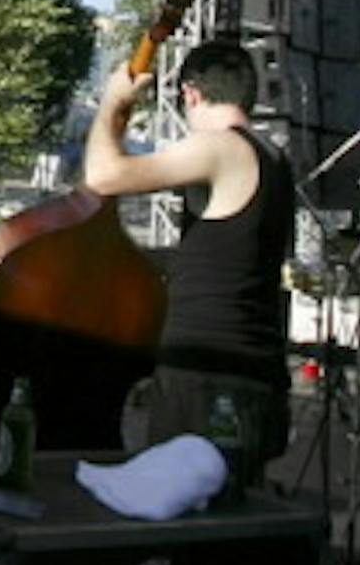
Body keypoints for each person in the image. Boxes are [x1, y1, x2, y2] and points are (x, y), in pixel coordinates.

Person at [84, 40, 294, 485]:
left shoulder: (219, 148)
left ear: (192, 93)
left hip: (206, 377)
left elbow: (103, 175)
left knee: (181, 526)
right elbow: (227, 258)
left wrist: (111, 104)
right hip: (255, 375)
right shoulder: (274, 160)